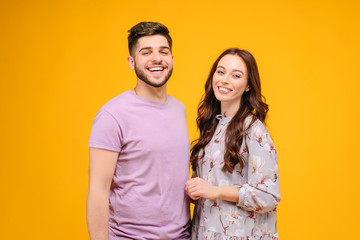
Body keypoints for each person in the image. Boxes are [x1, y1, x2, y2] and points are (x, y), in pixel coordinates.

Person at [87, 22, 191, 240]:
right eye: (146, 52)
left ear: (172, 59)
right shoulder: (112, 115)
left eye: (164, 51)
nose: (157, 58)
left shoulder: (179, 109)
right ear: (131, 62)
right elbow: (98, 190)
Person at [185, 48, 280, 239]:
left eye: (236, 75)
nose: (224, 80)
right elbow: (204, 191)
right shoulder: (212, 127)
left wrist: (215, 191)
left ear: (247, 86)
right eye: (220, 72)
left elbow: (269, 196)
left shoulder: (254, 129)